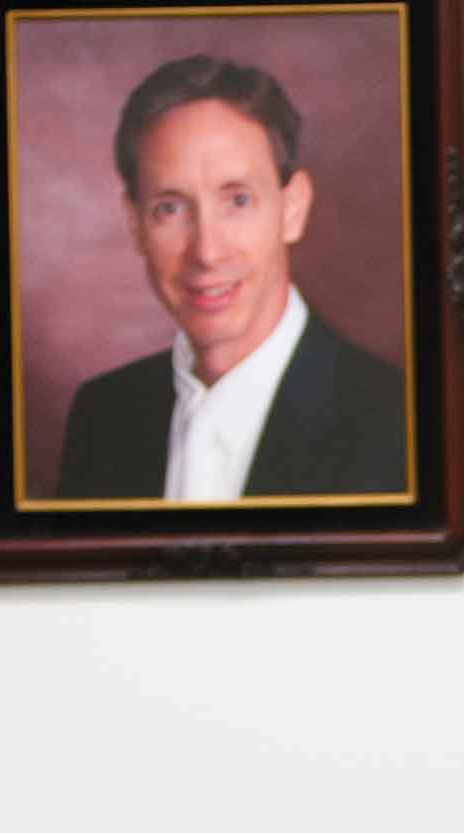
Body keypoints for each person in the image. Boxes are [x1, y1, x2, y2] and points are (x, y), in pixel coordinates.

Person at [55, 55, 406, 502]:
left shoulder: (398, 421)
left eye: (238, 200)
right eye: (171, 208)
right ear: (135, 224)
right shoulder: (102, 416)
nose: (206, 252)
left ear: (292, 209)